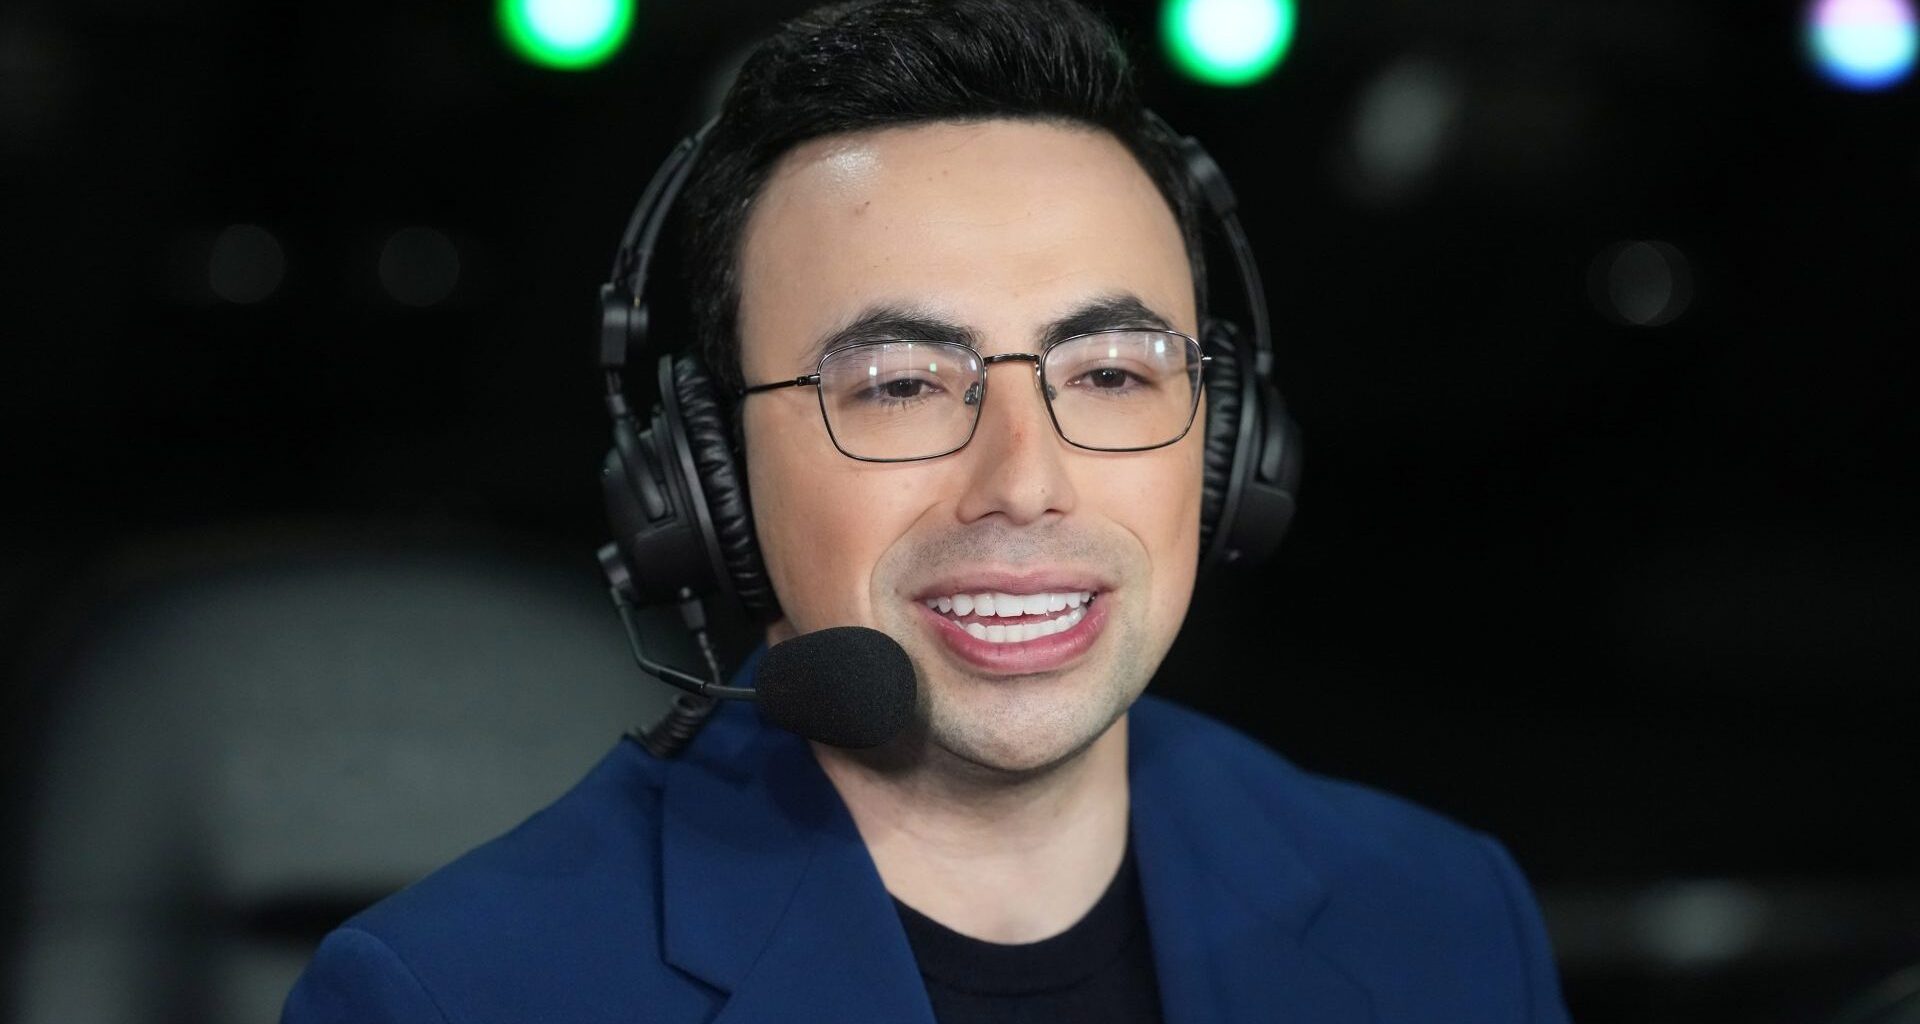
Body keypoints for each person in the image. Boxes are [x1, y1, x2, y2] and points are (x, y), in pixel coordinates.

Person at [283, 1, 1572, 1021]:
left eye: (1112, 374)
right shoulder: (456, 997)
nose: (1023, 478)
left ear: (1232, 449)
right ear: (704, 479)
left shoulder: (1444, 918)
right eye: (901, 387)